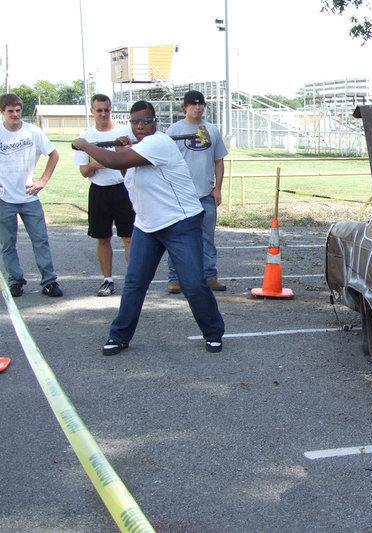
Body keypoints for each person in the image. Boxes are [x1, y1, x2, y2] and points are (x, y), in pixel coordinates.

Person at [72, 100, 225, 355]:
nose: (140, 126)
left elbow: (112, 161)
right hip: (147, 225)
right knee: (135, 282)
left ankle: (213, 332)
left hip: (180, 222)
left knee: (192, 283)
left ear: (155, 123)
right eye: (135, 122)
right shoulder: (139, 149)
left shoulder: (159, 143)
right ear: (131, 124)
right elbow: (126, 172)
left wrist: (85, 145)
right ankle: (119, 335)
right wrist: (124, 150)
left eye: (146, 121)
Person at [0, 93, 62, 298]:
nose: (15, 114)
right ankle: (15, 281)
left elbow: (54, 154)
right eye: (10, 111)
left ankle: (49, 281)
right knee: (7, 243)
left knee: (40, 240)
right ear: (2, 112)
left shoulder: (33, 132)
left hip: (29, 196)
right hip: (4, 199)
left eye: (18, 110)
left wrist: (43, 180)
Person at [165, 90, 228, 293]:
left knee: (207, 239)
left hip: (206, 194)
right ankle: (176, 278)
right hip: (180, 195)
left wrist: (218, 188)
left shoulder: (212, 130)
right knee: (177, 238)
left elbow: (219, 161)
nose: (197, 107)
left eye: (201, 104)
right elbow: (165, 162)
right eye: (193, 104)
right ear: (185, 107)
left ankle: (210, 276)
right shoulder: (174, 130)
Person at [74, 94, 134, 296]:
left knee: (129, 237)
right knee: (102, 238)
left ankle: (133, 281)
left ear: (111, 110)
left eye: (106, 110)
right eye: (99, 110)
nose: (103, 114)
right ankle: (107, 280)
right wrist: (96, 164)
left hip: (123, 189)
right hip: (99, 191)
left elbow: (134, 160)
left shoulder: (124, 132)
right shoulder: (85, 138)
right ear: (92, 111)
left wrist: (116, 159)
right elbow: (83, 172)